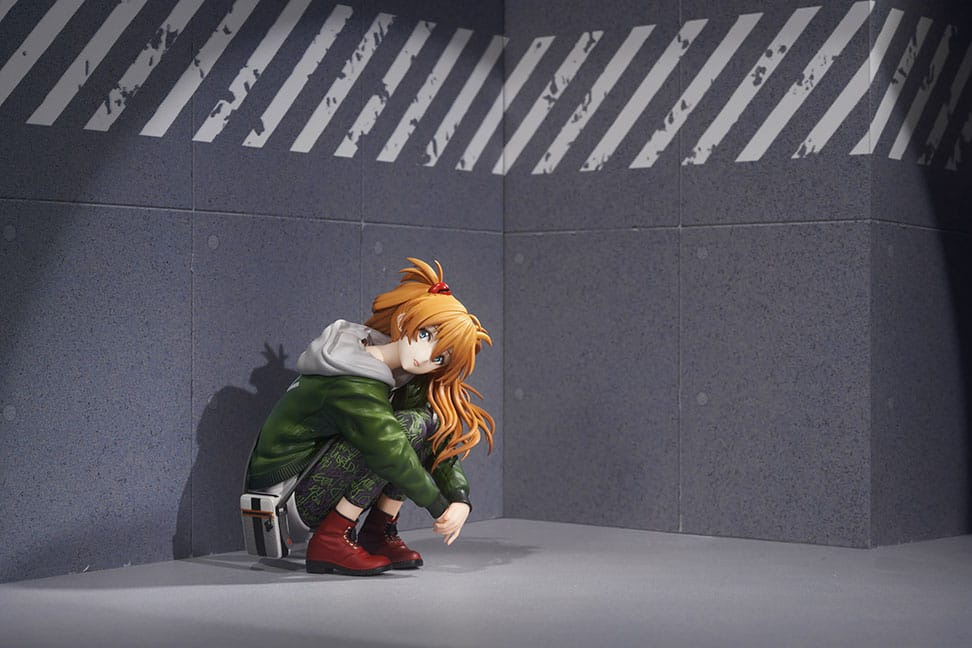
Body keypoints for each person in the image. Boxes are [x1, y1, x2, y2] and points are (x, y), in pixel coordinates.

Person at [244, 258, 494, 576]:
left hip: (315, 478)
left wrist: (459, 497)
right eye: (425, 335)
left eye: (440, 357)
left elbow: (434, 436)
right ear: (403, 319)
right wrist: (439, 508)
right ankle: (333, 537)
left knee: (422, 423)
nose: (426, 357)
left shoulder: (401, 374)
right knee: (395, 441)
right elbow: (390, 451)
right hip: (288, 497)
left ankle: (378, 532)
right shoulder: (352, 376)